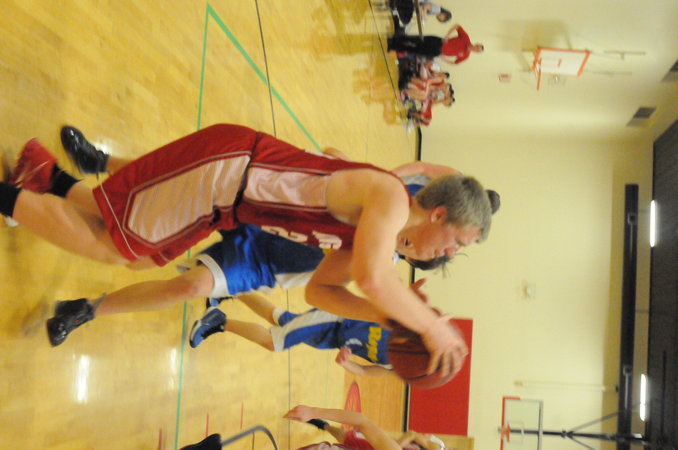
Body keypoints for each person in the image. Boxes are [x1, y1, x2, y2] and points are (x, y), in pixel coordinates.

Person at [2, 124, 493, 375]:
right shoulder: (390, 199)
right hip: (227, 171)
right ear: (438, 215)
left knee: (130, 238)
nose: (451, 253)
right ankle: (13, 195)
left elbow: (321, 293)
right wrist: (431, 326)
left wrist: (390, 319)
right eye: (458, 242)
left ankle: (39, 174)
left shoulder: (377, 236)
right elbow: (373, 278)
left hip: (229, 202)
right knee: (120, 247)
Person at [189, 291, 397, 379]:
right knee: (274, 342)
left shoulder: (398, 368)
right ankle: (217, 321)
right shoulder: (404, 325)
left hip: (331, 339)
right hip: (336, 319)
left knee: (279, 318)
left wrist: (345, 363)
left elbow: (363, 372)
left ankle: (231, 289)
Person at [286, 404, 442, 450]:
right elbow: (363, 422)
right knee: (346, 437)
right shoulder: (436, 447)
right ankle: (324, 425)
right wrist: (315, 411)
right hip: (380, 445)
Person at [387, 24, 483, 65]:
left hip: (437, 52)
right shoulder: (466, 38)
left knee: (415, 50)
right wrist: (447, 35)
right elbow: (457, 26)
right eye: (477, 47)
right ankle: (394, 39)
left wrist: (445, 59)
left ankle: (394, 47)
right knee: (416, 39)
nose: (475, 49)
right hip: (438, 42)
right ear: (476, 44)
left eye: (477, 50)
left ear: (476, 52)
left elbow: (455, 63)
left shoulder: (466, 56)